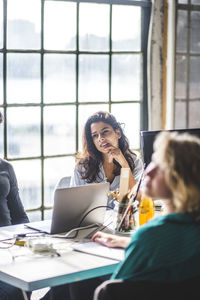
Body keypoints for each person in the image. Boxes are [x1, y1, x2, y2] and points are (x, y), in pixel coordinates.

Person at [92, 131, 200, 284]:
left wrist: (141, 241)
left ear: (181, 179)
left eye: (160, 167)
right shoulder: (189, 229)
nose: (148, 170)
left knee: (75, 283)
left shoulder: (152, 235)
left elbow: (112, 292)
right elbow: (175, 244)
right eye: (152, 162)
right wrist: (132, 242)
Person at [70, 111, 143, 207]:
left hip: (124, 221)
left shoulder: (135, 162)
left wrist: (124, 165)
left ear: (118, 133)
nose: (100, 138)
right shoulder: (82, 167)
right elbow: (73, 204)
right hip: (91, 221)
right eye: (95, 135)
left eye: (105, 131)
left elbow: (139, 199)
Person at [0, 111, 30, 299]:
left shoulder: (5, 167)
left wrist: (23, 244)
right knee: (14, 292)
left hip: (7, 250)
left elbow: (20, 217)